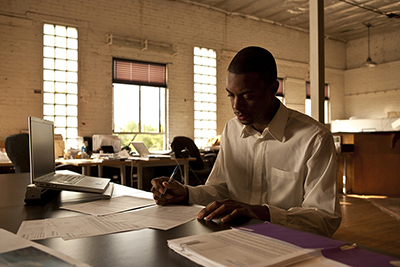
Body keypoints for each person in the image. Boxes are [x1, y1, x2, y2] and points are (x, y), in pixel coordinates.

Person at [151, 46, 341, 237]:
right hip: (234, 239)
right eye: (231, 95)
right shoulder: (231, 130)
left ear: (273, 89)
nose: (236, 106)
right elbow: (221, 188)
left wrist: (263, 213)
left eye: (248, 96)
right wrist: (186, 193)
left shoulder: (314, 138)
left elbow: (324, 219)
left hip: (287, 245)